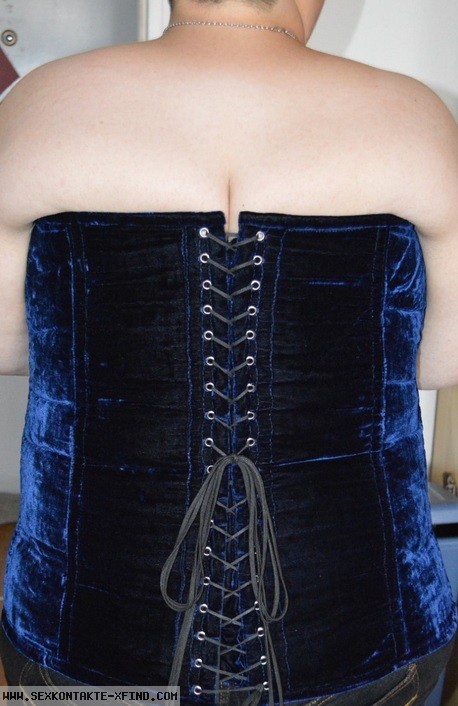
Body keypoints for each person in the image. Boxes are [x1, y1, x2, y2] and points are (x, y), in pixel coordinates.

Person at [0, 0, 457, 704]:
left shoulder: (40, 104)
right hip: (367, 643)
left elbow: (14, 347)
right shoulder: (414, 116)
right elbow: (438, 360)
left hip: (80, 643)